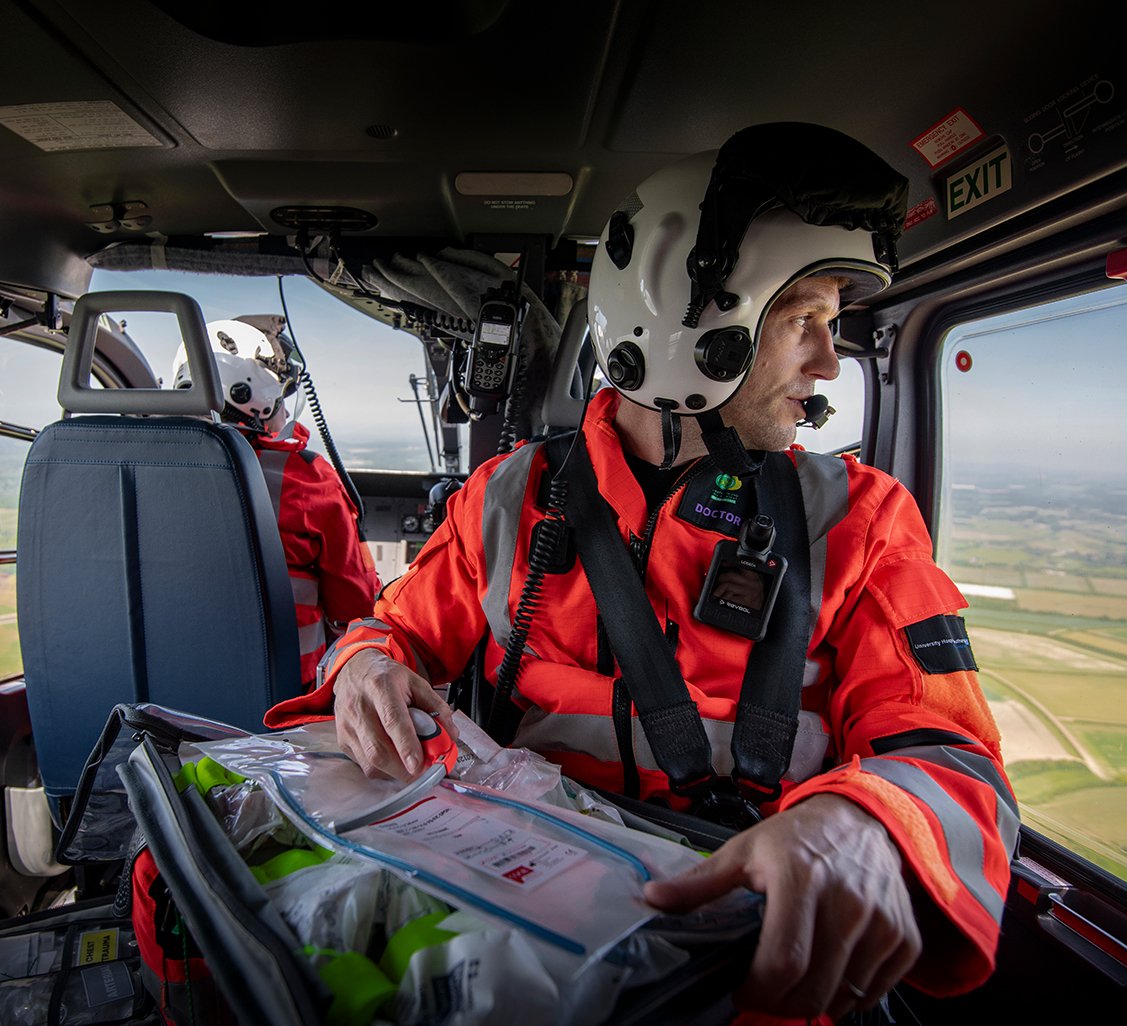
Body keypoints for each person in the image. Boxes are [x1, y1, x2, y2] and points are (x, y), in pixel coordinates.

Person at [266, 122, 1017, 1023]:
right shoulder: (506, 499)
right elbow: (394, 627)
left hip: (746, 952)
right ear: (693, 326)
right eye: (803, 319)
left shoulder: (861, 521)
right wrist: (364, 666)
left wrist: (873, 826)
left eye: (834, 326)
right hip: (508, 910)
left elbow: (949, 753)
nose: (827, 362)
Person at [170, 316, 380, 690]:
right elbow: (354, 605)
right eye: (280, 397)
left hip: (161, 688)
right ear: (253, 398)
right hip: (280, 699)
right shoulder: (306, 478)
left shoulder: (139, 467)